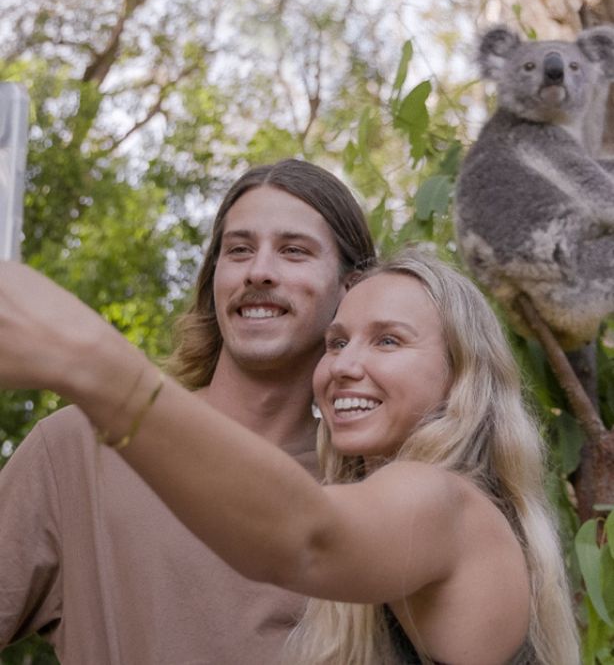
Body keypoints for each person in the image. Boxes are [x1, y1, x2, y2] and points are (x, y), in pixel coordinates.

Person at [0, 248, 579, 664]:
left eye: (388, 340)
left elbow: (306, 538)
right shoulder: (386, 518)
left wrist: (86, 361)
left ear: (461, 377)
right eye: (337, 341)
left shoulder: (447, 503)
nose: (345, 365)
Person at [0, 159, 375, 664]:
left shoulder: (371, 484)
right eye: (238, 250)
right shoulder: (76, 447)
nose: (258, 271)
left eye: (293, 251)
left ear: (349, 289)